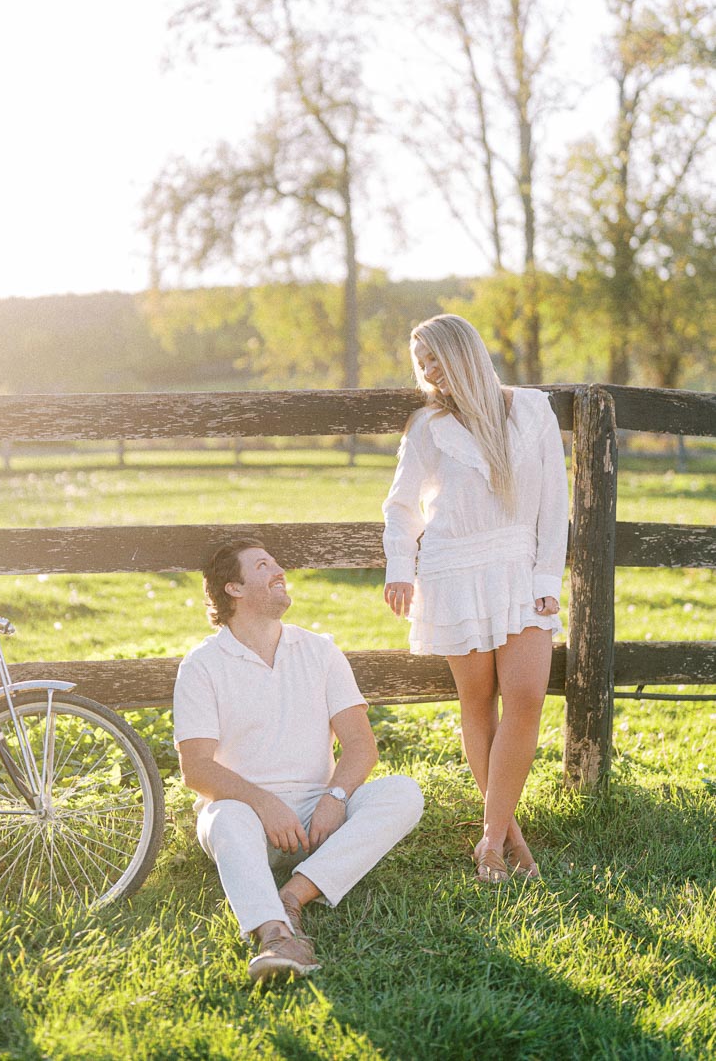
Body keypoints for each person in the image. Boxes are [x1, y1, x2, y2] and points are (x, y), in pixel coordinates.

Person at [173, 538, 424, 982]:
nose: (279, 570)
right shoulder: (202, 665)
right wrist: (265, 804)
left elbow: (362, 747)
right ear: (234, 589)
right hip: (248, 818)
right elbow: (197, 768)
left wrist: (335, 796)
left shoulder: (319, 650)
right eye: (263, 565)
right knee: (222, 817)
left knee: (402, 792)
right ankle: (275, 935)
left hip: (320, 820)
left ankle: (294, 895)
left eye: (276, 562)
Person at [382, 314, 568, 883]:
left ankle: (490, 837)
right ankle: (505, 842)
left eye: (435, 358)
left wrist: (545, 581)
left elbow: (553, 508)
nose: (429, 372)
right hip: (452, 571)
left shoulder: (532, 409)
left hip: (517, 568)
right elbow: (401, 506)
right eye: (422, 363)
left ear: (465, 352)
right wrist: (400, 568)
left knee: (528, 696)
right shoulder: (427, 427)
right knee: (478, 701)